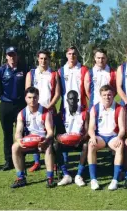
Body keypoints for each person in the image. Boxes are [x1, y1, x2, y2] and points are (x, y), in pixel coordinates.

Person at [10, 87, 56, 188]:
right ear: (25, 98)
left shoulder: (46, 112)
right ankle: (21, 178)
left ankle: (50, 178)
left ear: (38, 98)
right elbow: (18, 132)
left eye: (34, 97)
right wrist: (19, 140)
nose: (32, 100)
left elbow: (50, 132)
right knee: (15, 147)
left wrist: (46, 141)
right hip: (29, 141)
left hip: (43, 141)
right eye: (29, 97)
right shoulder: (22, 113)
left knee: (49, 147)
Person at [25, 50, 60, 172]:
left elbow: (57, 93)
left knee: (51, 136)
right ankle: (37, 162)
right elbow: (27, 91)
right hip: (35, 111)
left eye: (45, 58)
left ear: (49, 60)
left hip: (49, 109)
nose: (43, 61)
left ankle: (53, 161)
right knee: (35, 135)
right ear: (37, 59)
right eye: (41, 58)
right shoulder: (31, 73)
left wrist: (50, 106)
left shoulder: (54, 74)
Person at [87, 85, 126, 190]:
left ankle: (115, 180)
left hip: (113, 136)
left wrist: (119, 137)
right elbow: (91, 127)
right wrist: (92, 136)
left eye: (109, 95)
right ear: (100, 96)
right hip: (100, 136)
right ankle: (93, 180)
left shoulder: (119, 108)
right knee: (91, 145)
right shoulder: (95, 108)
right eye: (104, 95)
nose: (107, 97)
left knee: (120, 145)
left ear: (113, 95)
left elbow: (122, 128)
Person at [58, 46, 90, 175]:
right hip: (65, 106)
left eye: (74, 54)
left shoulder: (83, 69)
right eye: (70, 54)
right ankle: (65, 162)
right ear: (66, 55)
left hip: (80, 106)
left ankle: (82, 166)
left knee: (82, 133)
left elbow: (87, 89)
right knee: (65, 132)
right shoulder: (61, 71)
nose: (72, 56)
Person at [0, 46, 26, 171]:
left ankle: (21, 158)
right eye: (10, 55)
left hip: (20, 105)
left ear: (17, 56)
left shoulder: (24, 69)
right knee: (7, 134)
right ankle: (8, 161)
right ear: (6, 56)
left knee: (22, 133)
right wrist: (4, 97)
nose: (12, 57)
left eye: (14, 55)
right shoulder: (2, 70)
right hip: (6, 105)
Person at [54, 90, 89, 187]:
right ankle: (66, 175)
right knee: (55, 145)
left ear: (78, 100)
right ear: (67, 100)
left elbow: (87, 132)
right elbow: (56, 134)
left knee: (87, 145)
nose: (72, 101)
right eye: (70, 99)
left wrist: (80, 140)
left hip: (79, 142)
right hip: (66, 142)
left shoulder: (84, 113)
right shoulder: (61, 114)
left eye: (74, 99)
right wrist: (61, 138)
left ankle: (79, 175)